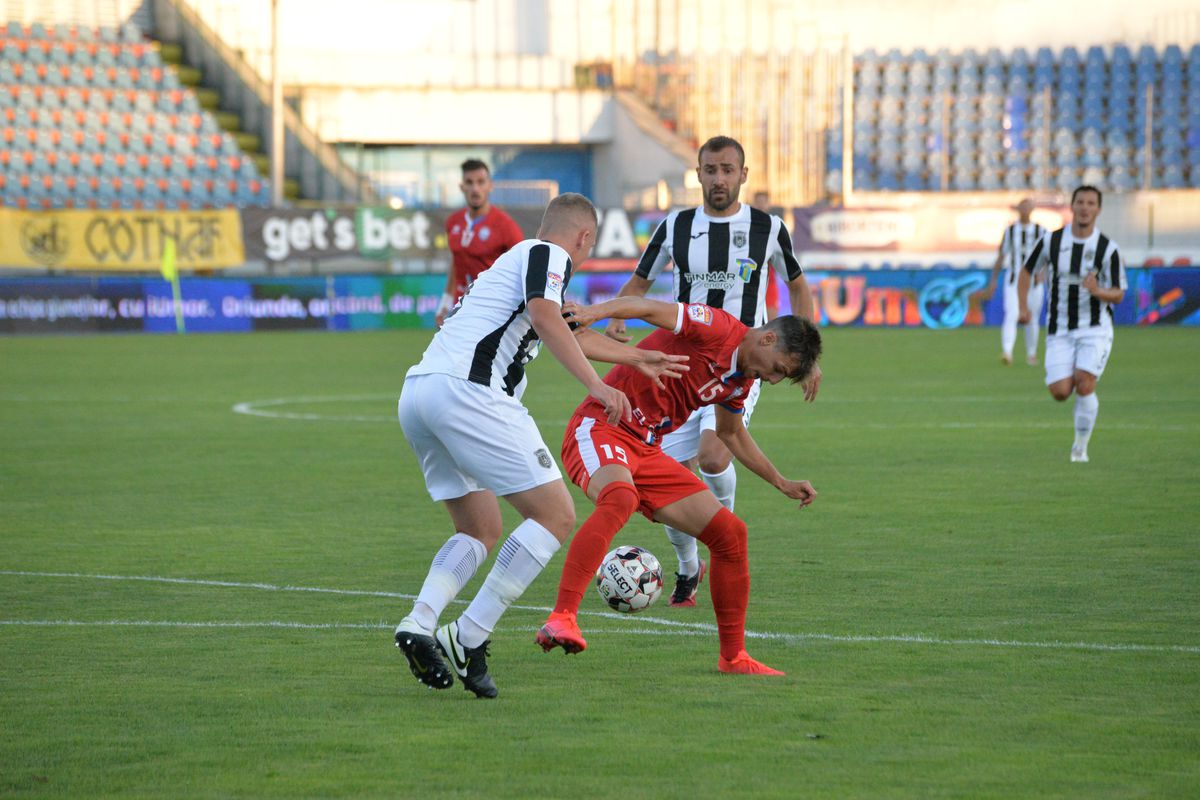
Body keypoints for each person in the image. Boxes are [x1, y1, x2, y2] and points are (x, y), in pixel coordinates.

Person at [394, 193, 689, 699]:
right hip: (471, 393)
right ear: (584, 239)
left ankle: (419, 622)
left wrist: (635, 358)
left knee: (480, 528)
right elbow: (546, 317)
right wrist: (597, 385)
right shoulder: (547, 255)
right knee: (555, 514)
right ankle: (470, 635)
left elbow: (563, 328)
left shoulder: (513, 266)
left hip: (420, 393)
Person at [536, 296, 822, 676]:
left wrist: (781, 482)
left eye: (778, 378)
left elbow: (730, 433)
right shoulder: (717, 328)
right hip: (602, 425)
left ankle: (733, 658)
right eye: (776, 370)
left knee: (731, 534)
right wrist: (594, 312)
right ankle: (562, 617)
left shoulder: (740, 380)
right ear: (767, 339)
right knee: (620, 497)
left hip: (646, 449)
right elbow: (648, 307)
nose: (770, 379)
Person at [603, 135, 821, 609]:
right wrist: (617, 316)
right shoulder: (676, 226)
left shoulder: (768, 228)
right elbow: (641, 280)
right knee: (666, 471)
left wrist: (806, 354)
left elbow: (799, 286)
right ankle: (687, 565)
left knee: (714, 455)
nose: (718, 178)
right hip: (680, 363)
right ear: (698, 174)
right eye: (710, 169)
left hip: (742, 362)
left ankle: (724, 547)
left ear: (744, 175)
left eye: (728, 169)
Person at [1018, 185, 1126, 463]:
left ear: (1098, 210)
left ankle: (1080, 448)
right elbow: (1026, 271)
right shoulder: (1051, 241)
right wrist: (1023, 307)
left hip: (1095, 327)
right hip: (1060, 329)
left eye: (1091, 203)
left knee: (1085, 382)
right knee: (1060, 392)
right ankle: (1078, 434)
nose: (1085, 207)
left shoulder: (1107, 248)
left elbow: (1119, 293)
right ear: (1072, 206)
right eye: (1080, 202)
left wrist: (1098, 291)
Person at [436, 159, 524, 327]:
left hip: (493, 310)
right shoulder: (453, 222)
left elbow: (522, 268)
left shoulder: (506, 226)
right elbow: (456, 263)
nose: (475, 189)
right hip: (460, 307)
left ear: (490, 185)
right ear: (462, 187)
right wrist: (445, 303)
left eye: (480, 182)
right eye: (469, 182)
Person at [977, 198, 1047, 365]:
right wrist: (993, 280)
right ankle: (1007, 351)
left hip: (1034, 280)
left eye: (1027, 206)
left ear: (1032, 209)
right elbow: (1002, 256)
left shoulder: (1041, 231)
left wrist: (1042, 273)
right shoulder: (1010, 231)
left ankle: (1031, 353)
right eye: (1022, 206)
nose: (1025, 209)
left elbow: (1048, 257)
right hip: (1014, 279)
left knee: (1032, 316)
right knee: (1012, 314)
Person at [751, 190, 784, 320]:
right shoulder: (745, 227)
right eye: (758, 202)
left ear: (768, 205)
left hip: (769, 284)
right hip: (749, 285)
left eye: (763, 202)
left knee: (771, 328)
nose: (760, 205)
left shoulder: (775, 228)